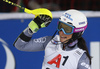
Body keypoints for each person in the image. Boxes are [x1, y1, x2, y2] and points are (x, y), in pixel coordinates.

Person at [13, 8, 91, 69]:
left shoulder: (81, 57)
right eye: (60, 26)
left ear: (78, 32)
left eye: (67, 29)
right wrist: (33, 26)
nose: (61, 32)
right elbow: (20, 45)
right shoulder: (50, 41)